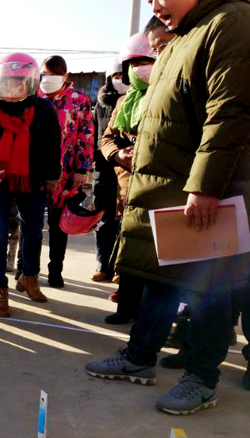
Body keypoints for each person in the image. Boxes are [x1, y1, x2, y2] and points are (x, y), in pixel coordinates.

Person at [86, 0, 250, 415]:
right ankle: (139, 356)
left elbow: (229, 113)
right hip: (169, 189)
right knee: (158, 280)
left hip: (202, 193)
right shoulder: (180, 39)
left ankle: (201, 379)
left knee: (209, 290)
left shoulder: (231, 21)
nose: (154, 4)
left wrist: (205, 187)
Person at [0, 53, 61, 316]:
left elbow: (53, 149)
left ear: (30, 85)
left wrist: (52, 179)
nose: (11, 91)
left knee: (34, 232)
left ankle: (29, 277)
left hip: (32, 180)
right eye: (6, 84)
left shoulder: (44, 111)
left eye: (18, 84)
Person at [98, 32, 159, 325]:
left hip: (157, 189)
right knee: (128, 249)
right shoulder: (124, 101)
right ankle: (126, 307)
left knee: (155, 254)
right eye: (133, 64)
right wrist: (117, 154)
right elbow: (106, 139)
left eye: (145, 61)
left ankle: (151, 314)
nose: (139, 69)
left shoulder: (167, 96)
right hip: (126, 189)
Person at [39, 55, 94, 289]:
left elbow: (86, 135)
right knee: (30, 222)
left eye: (54, 74)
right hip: (35, 171)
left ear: (65, 76)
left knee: (57, 224)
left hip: (65, 173)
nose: (48, 78)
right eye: (45, 73)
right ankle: (26, 269)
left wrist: (82, 169)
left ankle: (55, 271)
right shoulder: (34, 97)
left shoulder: (79, 100)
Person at [91, 58, 125, 284]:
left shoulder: (138, 99)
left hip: (127, 166)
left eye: (123, 75)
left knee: (125, 218)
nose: (119, 80)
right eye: (115, 76)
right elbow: (95, 132)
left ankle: (121, 267)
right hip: (103, 167)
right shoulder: (101, 102)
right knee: (103, 216)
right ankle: (103, 265)